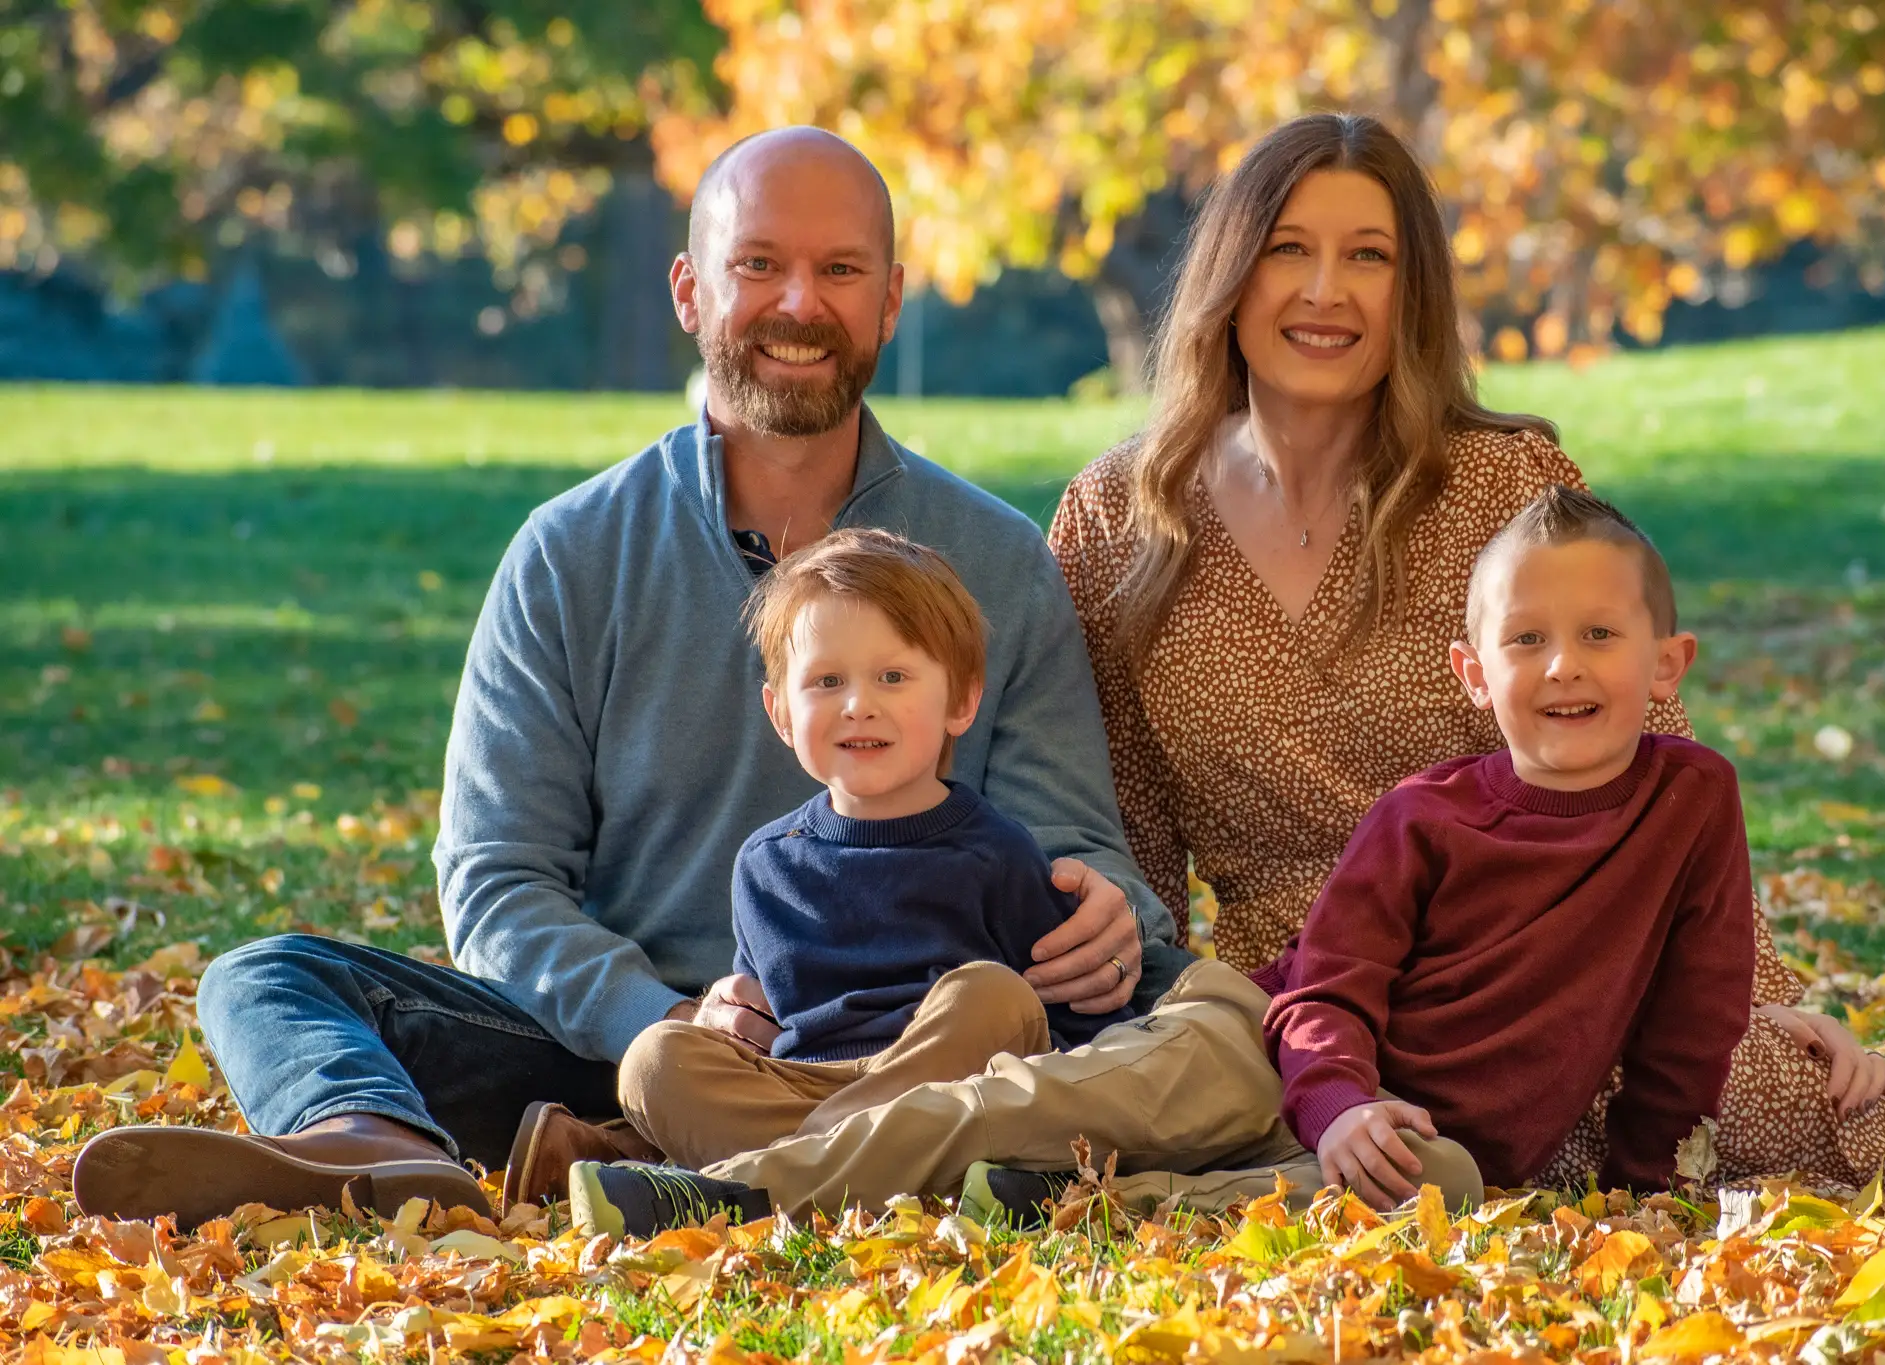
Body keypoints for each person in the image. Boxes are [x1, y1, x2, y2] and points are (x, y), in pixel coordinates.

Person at [68, 127, 1177, 1229]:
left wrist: (1105, 913)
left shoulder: (990, 559)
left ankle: (661, 1166)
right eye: (759, 266)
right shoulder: (571, 553)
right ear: (690, 292)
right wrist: (669, 1020)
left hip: (929, 1048)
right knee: (265, 979)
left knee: (1199, 1013)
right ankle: (379, 1146)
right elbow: (498, 880)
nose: (800, 302)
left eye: (840, 270)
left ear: (889, 302)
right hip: (638, 1046)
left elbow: (1079, 846)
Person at [1004, 109, 1885, 1219]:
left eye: (1369, 257)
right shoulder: (1118, 517)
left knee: (1836, 1136)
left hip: (1573, 966)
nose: (1325, 291)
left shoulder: (1501, 485)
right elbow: (1124, 831)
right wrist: (1140, 1011)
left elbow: (1653, 759)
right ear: (1229, 271)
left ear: (1410, 295)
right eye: (1287, 250)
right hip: (1317, 1010)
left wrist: (1764, 998)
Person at [567, 529, 1132, 1237]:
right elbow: (768, 1020)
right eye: (828, 681)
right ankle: (840, 1172)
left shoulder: (996, 850)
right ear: (780, 712)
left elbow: (1059, 1021)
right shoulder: (765, 864)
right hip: (806, 1086)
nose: (858, 704)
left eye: (892, 677)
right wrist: (731, 1017)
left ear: (961, 701)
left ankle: (776, 1178)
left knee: (994, 996)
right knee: (653, 1058)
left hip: (942, 1090)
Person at [1264, 486, 1755, 1208]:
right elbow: (1329, 983)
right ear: (1475, 674)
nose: (1562, 665)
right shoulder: (1420, 817)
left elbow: (1696, 1019)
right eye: (1528, 639)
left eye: (1599, 634)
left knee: (1440, 1186)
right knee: (1144, 1094)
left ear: (1666, 663)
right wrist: (1336, 1101)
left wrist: (1650, 1190)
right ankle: (1038, 1102)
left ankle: (1080, 1187)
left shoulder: (1692, 800)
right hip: (1276, 1054)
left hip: (1414, 1143)